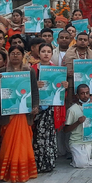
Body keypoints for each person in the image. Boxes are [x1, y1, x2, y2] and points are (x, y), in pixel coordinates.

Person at [0, 45, 40, 183]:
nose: (15, 56)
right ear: (8, 56)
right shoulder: (2, 71)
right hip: (8, 115)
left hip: (24, 114)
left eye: (18, 53)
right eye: (12, 53)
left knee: (24, 143)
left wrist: (35, 106)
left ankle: (24, 172)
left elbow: (34, 90)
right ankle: (7, 172)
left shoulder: (29, 71)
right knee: (8, 143)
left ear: (22, 56)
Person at [31, 43, 67, 173]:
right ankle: (37, 163)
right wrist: (34, 85)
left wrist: (64, 85)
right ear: (38, 53)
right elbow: (24, 87)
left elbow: (62, 93)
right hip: (37, 107)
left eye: (48, 51)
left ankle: (49, 163)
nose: (46, 54)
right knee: (37, 137)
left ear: (52, 54)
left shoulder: (57, 70)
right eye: (43, 51)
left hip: (51, 107)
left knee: (50, 136)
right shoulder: (32, 69)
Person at [64, 84, 92, 167]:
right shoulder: (72, 109)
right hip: (77, 142)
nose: (85, 96)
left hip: (91, 141)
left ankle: (86, 158)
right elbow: (65, 130)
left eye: (87, 93)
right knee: (81, 164)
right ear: (77, 95)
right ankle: (80, 158)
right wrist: (78, 122)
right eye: (82, 93)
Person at [63, 32, 92, 99]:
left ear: (88, 42)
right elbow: (62, 71)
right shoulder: (68, 55)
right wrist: (67, 73)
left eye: (85, 40)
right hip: (72, 87)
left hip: (89, 87)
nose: (82, 41)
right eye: (80, 39)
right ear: (76, 41)